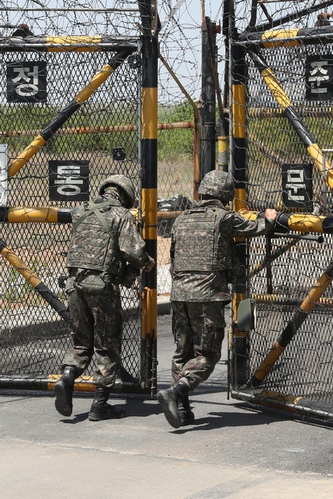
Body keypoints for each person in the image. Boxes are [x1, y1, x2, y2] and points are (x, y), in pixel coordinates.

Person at [157, 170, 277, 428]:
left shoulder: (181, 219)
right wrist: (268, 218)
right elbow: (255, 227)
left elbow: (174, 258)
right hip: (208, 294)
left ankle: (182, 409)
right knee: (208, 354)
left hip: (179, 294)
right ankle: (176, 392)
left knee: (182, 352)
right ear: (225, 195)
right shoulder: (223, 218)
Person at [54, 174, 155, 421]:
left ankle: (67, 376)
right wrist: (148, 263)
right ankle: (100, 405)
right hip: (102, 288)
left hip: (74, 285)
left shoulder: (80, 211)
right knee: (106, 344)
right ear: (125, 196)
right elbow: (132, 251)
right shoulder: (121, 216)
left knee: (80, 342)